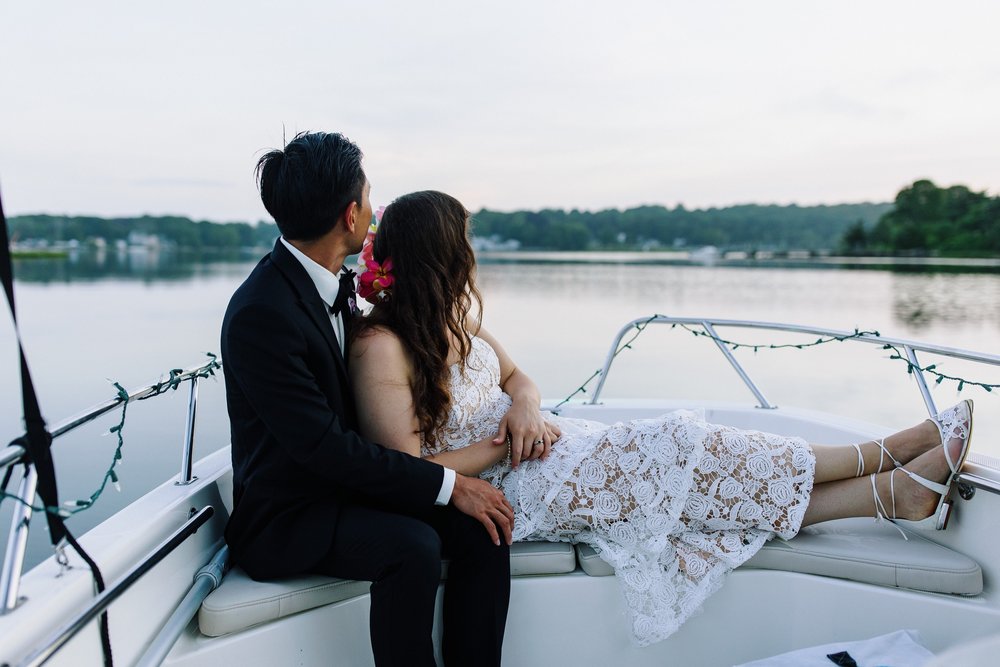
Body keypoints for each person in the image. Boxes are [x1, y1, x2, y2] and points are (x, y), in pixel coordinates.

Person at [347, 190, 975, 647]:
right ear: (440, 251)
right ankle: (884, 461)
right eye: (462, 241)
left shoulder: (457, 320)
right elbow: (406, 468)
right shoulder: (381, 345)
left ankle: (892, 490)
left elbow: (519, 379)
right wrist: (505, 442)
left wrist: (528, 410)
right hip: (515, 483)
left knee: (694, 481)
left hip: (548, 445)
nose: (471, 253)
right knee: (683, 451)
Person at [221, 134, 513, 667]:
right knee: (411, 547)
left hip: (350, 491)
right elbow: (325, 450)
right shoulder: (262, 313)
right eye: (371, 198)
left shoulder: (336, 285)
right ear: (351, 214)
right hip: (292, 517)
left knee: (484, 529)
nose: (376, 213)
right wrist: (452, 484)